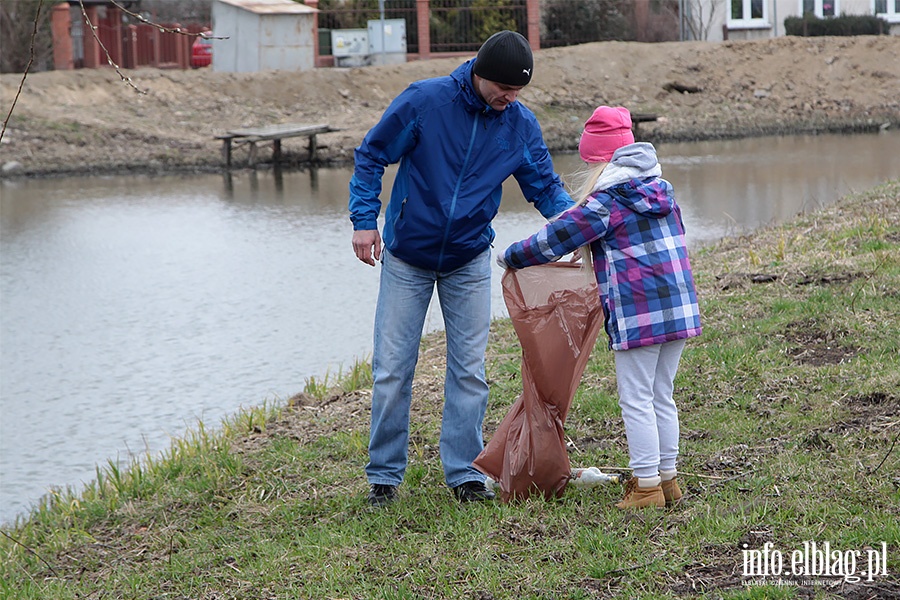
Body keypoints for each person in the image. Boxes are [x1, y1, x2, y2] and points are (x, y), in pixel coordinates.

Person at [349, 31, 574, 506]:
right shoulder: (426, 101)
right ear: (480, 73)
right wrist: (364, 220)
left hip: (468, 259)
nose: (510, 98)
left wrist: (577, 229)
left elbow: (546, 188)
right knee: (392, 370)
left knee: (469, 371)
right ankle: (384, 478)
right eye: (503, 88)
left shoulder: (519, 124)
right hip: (407, 257)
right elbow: (371, 154)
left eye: (518, 92)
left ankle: (465, 473)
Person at [498, 106, 702, 509]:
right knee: (662, 393)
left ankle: (645, 487)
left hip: (639, 313)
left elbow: (555, 238)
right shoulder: (663, 190)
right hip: (678, 307)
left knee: (636, 398)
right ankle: (668, 478)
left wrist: (512, 256)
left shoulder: (607, 202)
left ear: (600, 161)